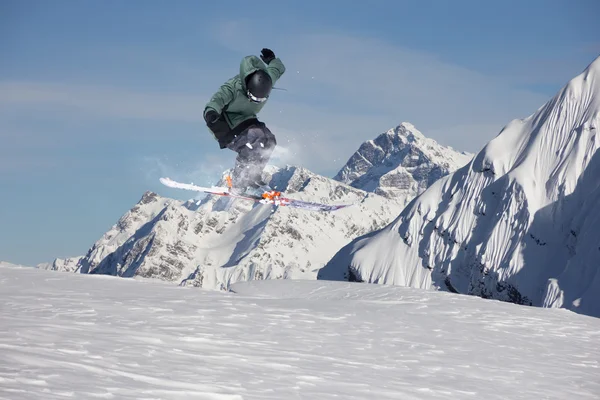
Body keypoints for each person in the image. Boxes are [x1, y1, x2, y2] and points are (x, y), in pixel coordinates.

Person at [203, 48, 285, 196]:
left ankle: (253, 175)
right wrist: (211, 113)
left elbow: (278, 69)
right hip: (225, 124)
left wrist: (272, 59)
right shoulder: (232, 88)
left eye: (260, 100)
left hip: (247, 119)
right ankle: (239, 182)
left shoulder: (267, 79)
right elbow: (215, 101)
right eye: (253, 98)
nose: (256, 101)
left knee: (269, 140)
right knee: (253, 142)